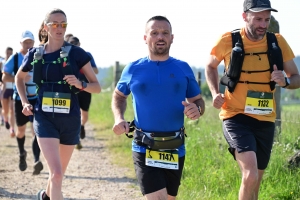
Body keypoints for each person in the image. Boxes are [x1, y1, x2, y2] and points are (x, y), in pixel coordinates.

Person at [205, 0, 300, 199]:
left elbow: (296, 78)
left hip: (265, 119)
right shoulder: (228, 40)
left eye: (267, 20)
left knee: (255, 183)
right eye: (258, 19)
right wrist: (215, 93)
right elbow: (210, 66)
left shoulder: (277, 42)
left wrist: (284, 81)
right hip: (235, 116)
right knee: (250, 174)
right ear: (244, 16)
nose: (263, 25)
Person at [111, 15, 205, 200]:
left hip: (175, 146)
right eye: (154, 33)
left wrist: (197, 110)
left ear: (172, 37)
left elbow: (198, 101)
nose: (160, 37)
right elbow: (118, 96)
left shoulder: (183, 68)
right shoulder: (133, 68)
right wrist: (119, 118)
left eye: (165, 33)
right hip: (144, 145)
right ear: (145, 38)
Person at [15, 8, 101, 200]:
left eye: (63, 24)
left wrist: (81, 84)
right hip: (44, 118)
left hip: (70, 119)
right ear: (46, 27)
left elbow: (96, 87)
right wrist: (24, 102)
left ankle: (45, 196)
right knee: (57, 174)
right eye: (55, 24)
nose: (59, 27)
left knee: (57, 174)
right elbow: (19, 79)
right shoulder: (35, 54)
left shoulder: (77, 54)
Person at [2, 31, 44, 175]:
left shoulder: (38, 55)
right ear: (20, 43)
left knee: (36, 130)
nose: (28, 45)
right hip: (20, 99)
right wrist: (19, 78)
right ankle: (22, 154)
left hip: (36, 98)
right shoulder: (14, 59)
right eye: (25, 42)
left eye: (30, 42)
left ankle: (36, 160)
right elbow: (4, 76)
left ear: (34, 42)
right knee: (20, 131)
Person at [68, 36, 99, 149]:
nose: (74, 44)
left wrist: (84, 67)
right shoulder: (65, 55)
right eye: (72, 43)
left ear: (80, 43)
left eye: (76, 43)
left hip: (86, 88)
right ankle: (76, 138)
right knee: (72, 114)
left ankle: (81, 126)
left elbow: (96, 70)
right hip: (71, 89)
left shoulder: (87, 55)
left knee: (84, 115)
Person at [0, 47, 15, 137]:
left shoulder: (14, 63)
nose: (9, 55)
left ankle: (12, 128)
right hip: (5, 89)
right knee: (5, 110)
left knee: (12, 109)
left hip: (13, 88)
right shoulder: (2, 64)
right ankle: (5, 120)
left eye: (10, 53)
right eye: (7, 53)